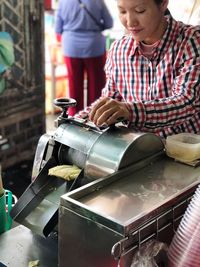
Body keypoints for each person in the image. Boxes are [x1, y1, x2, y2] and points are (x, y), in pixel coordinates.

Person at [81, 0, 200, 139]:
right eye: (123, 11)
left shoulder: (191, 41)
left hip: (185, 151)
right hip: (138, 149)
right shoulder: (119, 49)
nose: (130, 22)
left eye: (140, 11)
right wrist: (74, 122)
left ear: (163, 4)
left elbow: (186, 103)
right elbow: (109, 99)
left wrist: (129, 111)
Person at [55, 0, 113, 116]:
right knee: (97, 86)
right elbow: (109, 23)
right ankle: (96, 117)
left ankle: (75, 117)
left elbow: (58, 29)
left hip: (71, 46)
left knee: (74, 85)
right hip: (94, 46)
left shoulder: (63, 2)